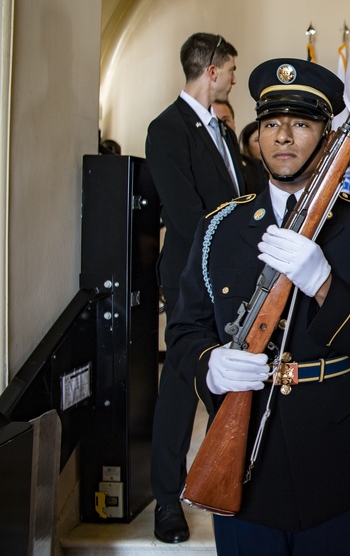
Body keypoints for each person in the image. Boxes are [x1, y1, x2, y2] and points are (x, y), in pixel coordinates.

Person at [166, 57, 350, 554]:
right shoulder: (220, 228)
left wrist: (323, 283)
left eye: (302, 123)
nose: (284, 137)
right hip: (245, 455)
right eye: (272, 123)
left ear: (324, 134)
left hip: (333, 456)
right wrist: (211, 366)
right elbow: (186, 332)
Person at [144, 32, 245, 543]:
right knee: (181, 390)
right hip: (191, 277)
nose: (232, 77)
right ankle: (167, 499)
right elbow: (185, 214)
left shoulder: (223, 132)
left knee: (229, 388)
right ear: (211, 70)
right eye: (229, 69)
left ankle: (227, 481)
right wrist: (234, 244)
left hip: (231, 277)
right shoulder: (166, 129)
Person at [239, 120, 268, 193]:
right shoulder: (243, 175)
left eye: (266, 139)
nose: (264, 144)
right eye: (257, 140)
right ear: (247, 146)